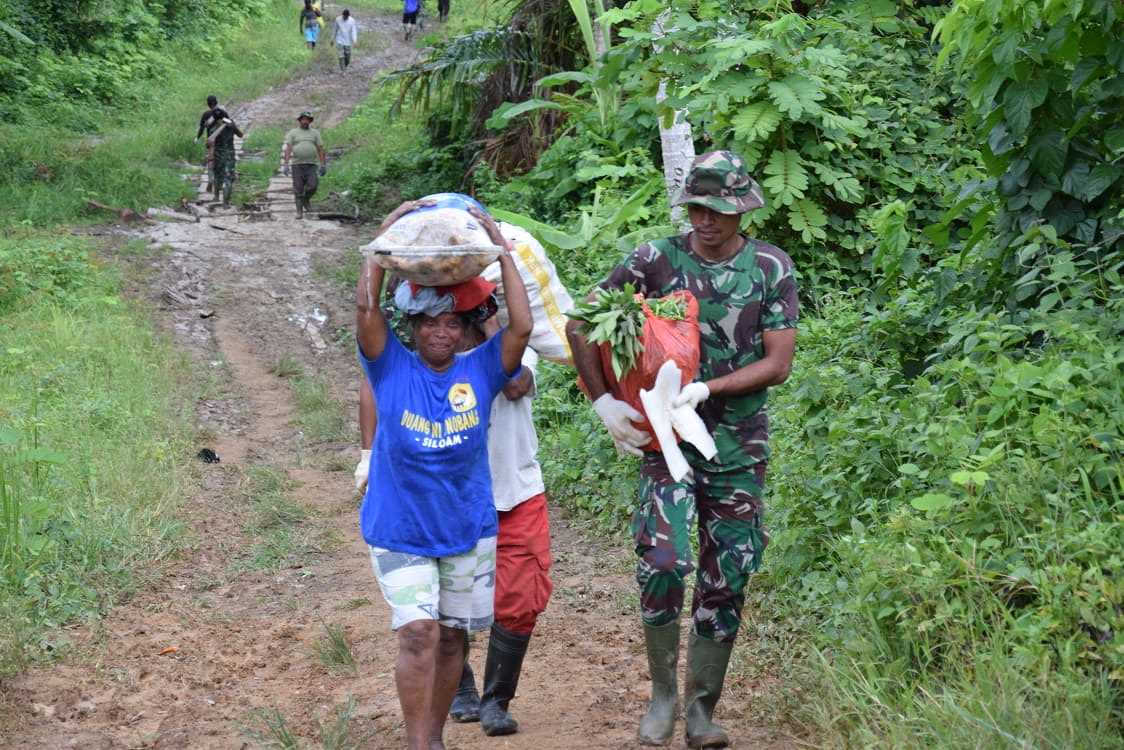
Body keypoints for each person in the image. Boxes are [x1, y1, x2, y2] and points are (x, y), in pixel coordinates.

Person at [566, 150, 799, 749]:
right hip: (664, 440)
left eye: (718, 210)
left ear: (741, 209)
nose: (705, 220)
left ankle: (701, 709)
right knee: (664, 561)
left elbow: (777, 363)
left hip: (738, 445)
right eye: (696, 207)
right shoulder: (655, 260)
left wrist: (708, 389)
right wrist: (602, 401)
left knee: (730, 572)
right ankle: (662, 696)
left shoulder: (769, 267)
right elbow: (580, 323)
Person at [356, 200, 532, 750]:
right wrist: (385, 239)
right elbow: (366, 310)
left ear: (461, 331)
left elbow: (521, 327)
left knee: (454, 638)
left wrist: (500, 251)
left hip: (465, 527)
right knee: (418, 633)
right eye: (429, 321)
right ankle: (417, 744)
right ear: (413, 327)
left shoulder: (480, 369)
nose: (440, 331)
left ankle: (434, 739)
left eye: (451, 322)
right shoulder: (390, 366)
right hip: (400, 527)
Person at [281, 111, 327, 220]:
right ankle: (299, 211)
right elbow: (288, 149)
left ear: (310, 121)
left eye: (308, 119)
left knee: (313, 185)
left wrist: (323, 164)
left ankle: (306, 200)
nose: (305, 121)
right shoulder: (293, 133)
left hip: (311, 164)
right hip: (297, 165)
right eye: (303, 119)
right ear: (300, 120)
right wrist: (286, 164)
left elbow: (320, 149)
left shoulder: (315, 133)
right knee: (298, 188)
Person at [206, 107, 245, 207]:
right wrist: (228, 126)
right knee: (227, 178)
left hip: (219, 156)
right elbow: (240, 134)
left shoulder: (213, 127)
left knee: (218, 177)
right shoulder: (226, 126)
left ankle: (216, 197)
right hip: (229, 156)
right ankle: (225, 203)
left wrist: (210, 158)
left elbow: (210, 143)